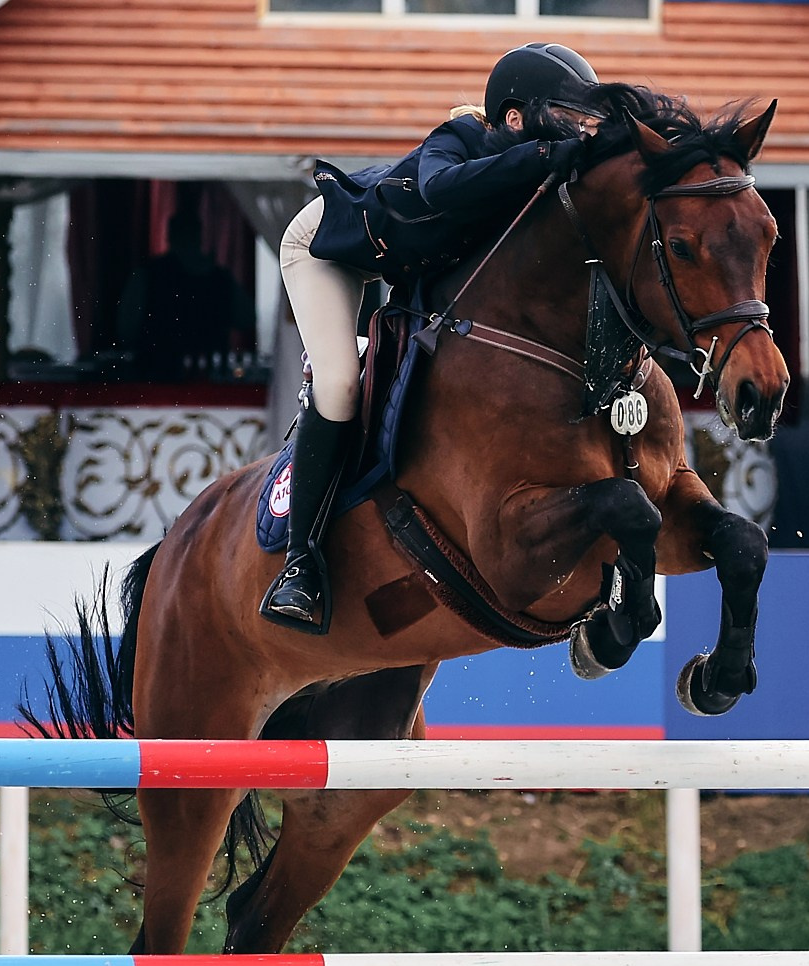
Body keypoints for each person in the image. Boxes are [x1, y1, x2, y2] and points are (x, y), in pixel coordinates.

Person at [261, 43, 604, 632]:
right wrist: (551, 154)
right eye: (565, 119)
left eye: (583, 122)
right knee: (341, 383)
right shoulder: (457, 139)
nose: (577, 133)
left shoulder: (530, 169)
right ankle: (301, 567)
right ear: (516, 118)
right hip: (325, 248)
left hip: (400, 264)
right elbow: (442, 191)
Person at [116, 208, 256, 373]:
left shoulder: (148, 275)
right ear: (199, 236)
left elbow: (126, 330)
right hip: (206, 376)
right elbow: (247, 318)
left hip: (159, 376)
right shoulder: (221, 278)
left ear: (170, 236)